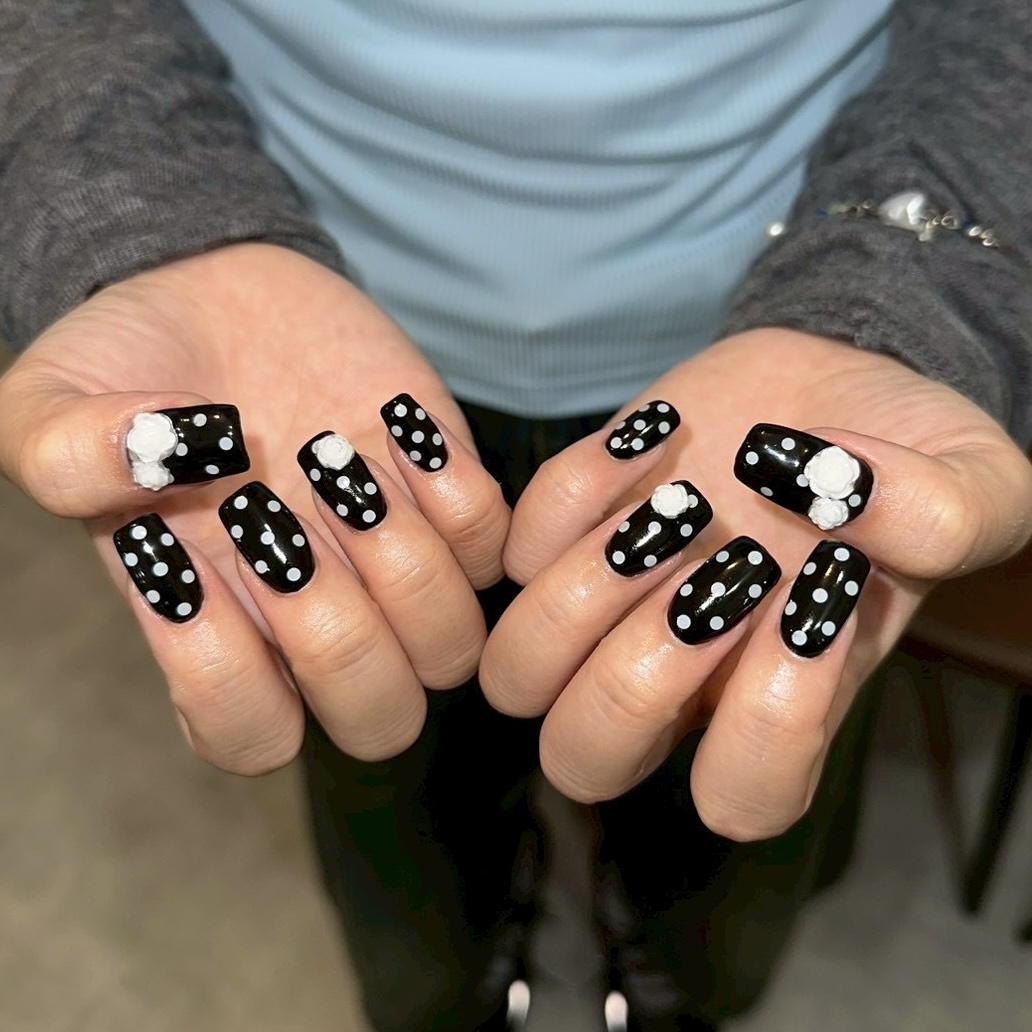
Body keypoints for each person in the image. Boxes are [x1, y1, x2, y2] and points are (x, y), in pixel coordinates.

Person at [1, 1, 1031, 1029]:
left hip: (783, 343)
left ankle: (667, 979)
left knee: (733, 831)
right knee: (399, 843)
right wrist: (151, 211)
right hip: (295, 371)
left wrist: (911, 276)